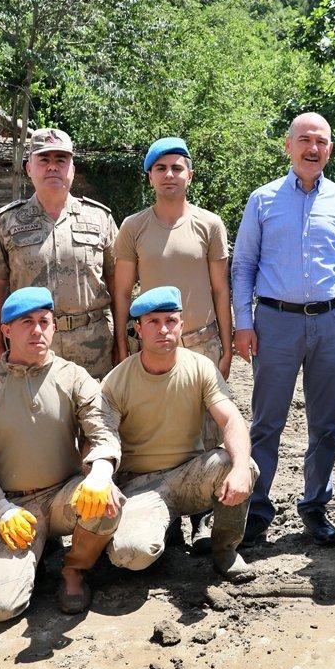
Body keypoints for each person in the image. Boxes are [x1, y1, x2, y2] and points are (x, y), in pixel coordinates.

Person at [231, 112, 335, 546]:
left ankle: (315, 505)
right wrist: (243, 323)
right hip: (275, 322)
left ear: (330, 149)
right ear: (288, 145)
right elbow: (244, 266)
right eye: (305, 140)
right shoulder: (263, 200)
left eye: (322, 142)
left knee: (325, 423)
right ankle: (256, 509)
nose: (313, 148)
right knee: (267, 421)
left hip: (333, 322)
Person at [0, 287, 123, 619]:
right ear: (6, 330)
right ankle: (27, 560)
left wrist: (101, 473)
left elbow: (103, 431)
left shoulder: (73, 377)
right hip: (17, 508)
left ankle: (74, 569)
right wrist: (1, 509)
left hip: (67, 497)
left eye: (45, 321)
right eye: (26, 322)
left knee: (106, 501)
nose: (38, 330)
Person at [112, 137, 233, 544]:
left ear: (190, 175)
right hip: (152, 344)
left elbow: (221, 291)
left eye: (177, 167)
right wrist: (122, 343)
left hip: (202, 341)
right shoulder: (134, 227)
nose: (169, 175)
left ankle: (203, 518)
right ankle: (166, 514)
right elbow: (123, 292)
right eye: (160, 168)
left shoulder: (209, 224)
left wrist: (227, 346)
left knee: (209, 431)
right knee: (164, 428)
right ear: (149, 176)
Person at [104, 287, 259, 581]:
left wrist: (239, 468)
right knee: (131, 554)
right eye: (153, 322)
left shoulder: (200, 367)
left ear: (182, 325)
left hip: (190, 476)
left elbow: (231, 419)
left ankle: (225, 549)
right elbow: (100, 438)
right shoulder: (117, 380)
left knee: (243, 466)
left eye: (171, 321)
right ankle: (156, 532)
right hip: (141, 485)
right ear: (138, 328)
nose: (164, 330)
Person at [0, 128, 118, 379]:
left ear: (72, 169)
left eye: (61, 160)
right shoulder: (6, 222)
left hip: (94, 351)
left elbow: (119, 286)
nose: (52, 167)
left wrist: (121, 343)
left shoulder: (100, 219)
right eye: (44, 160)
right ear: (28, 168)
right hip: (31, 350)